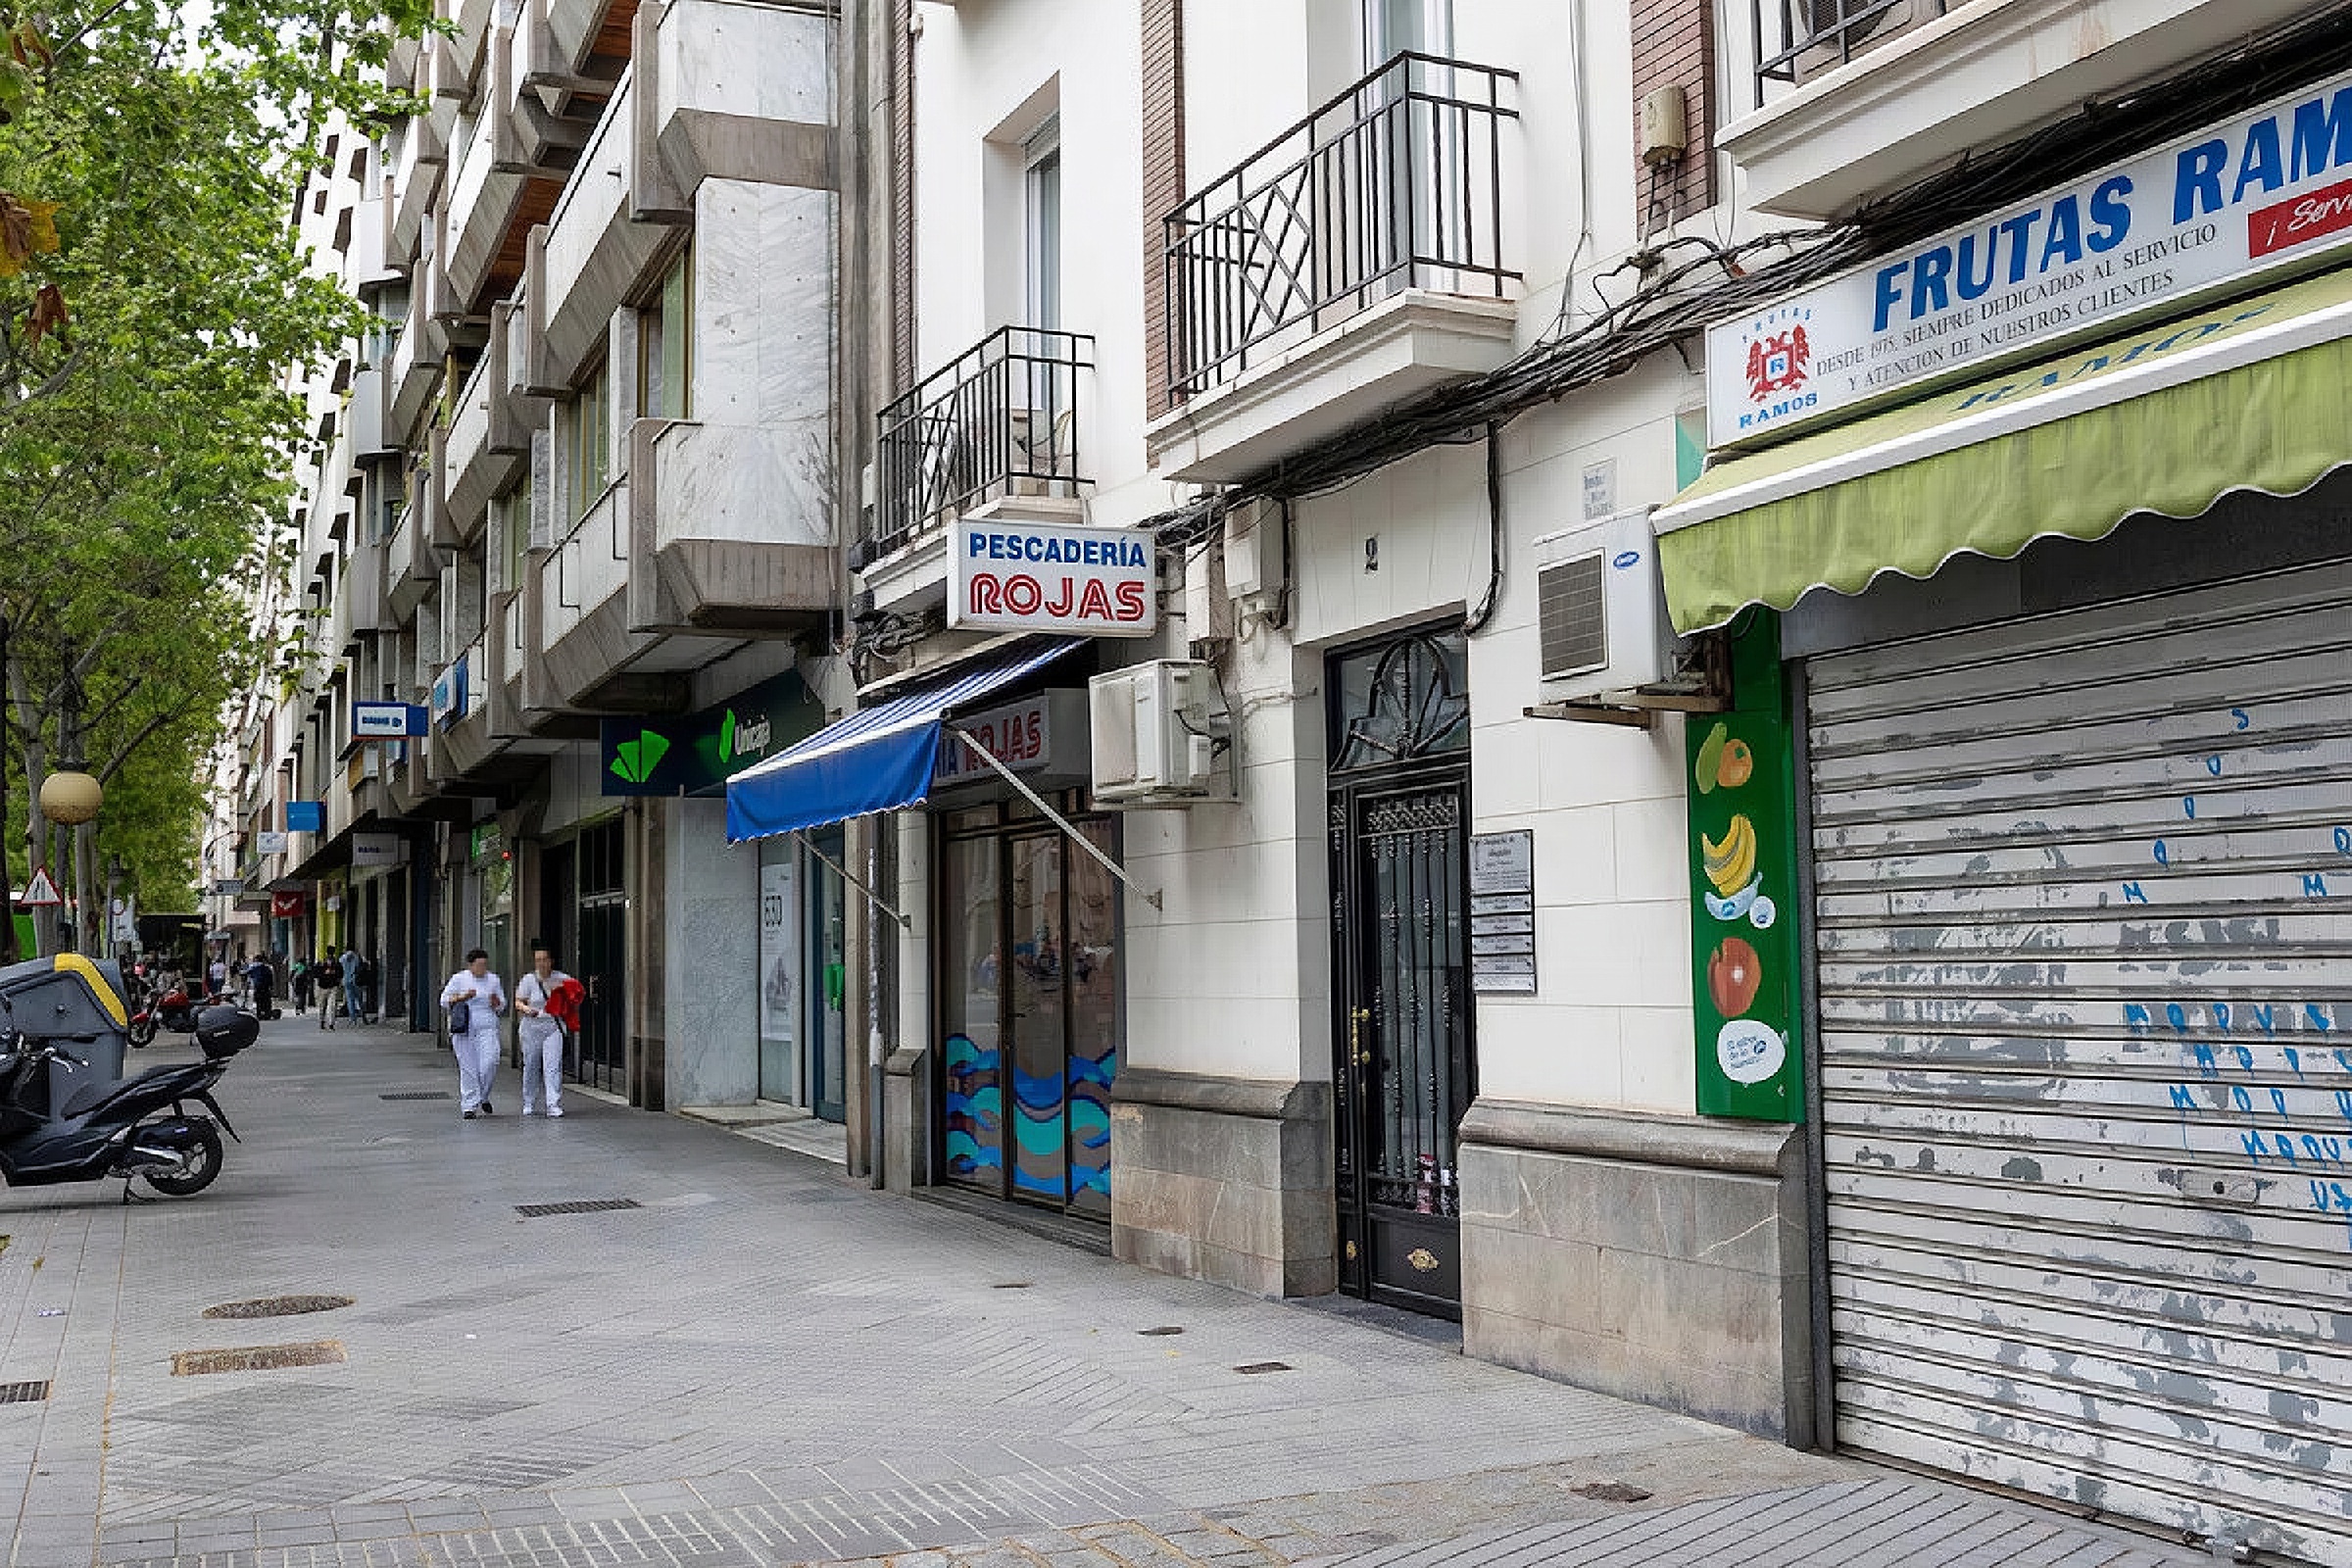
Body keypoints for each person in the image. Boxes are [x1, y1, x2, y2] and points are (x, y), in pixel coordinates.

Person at [513, 946, 579, 1118]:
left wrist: (563, 993)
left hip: (553, 1026)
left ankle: (553, 1104)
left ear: (551, 961)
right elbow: (518, 1002)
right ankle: (529, 1101)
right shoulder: (529, 980)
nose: (541, 963)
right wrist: (526, 1009)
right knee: (531, 1065)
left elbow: (577, 995)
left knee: (553, 1065)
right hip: (531, 1027)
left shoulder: (562, 978)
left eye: (544, 959)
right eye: (538, 960)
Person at [439, 948, 507, 1119]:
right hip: (465, 1027)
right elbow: (444, 1000)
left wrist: (496, 1002)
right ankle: (469, 1106)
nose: (482, 969)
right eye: (479, 965)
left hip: (487, 1025)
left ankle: (483, 1095)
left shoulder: (493, 979)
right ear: (470, 965)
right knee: (468, 1067)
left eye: (485, 965)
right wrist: (463, 997)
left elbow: (502, 1005)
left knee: (490, 1062)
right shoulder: (459, 979)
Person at [245, 954, 275, 1019]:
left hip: (258, 987)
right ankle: (267, 1014)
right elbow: (271, 978)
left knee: (259, 1001)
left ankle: (259, 1014)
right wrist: (271, 987)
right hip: (266, 988)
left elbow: (247, 974)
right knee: (266, 1001)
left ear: (256, 960)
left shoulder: (254, 968)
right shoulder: (267, 968)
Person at [338, 946, 362, 1027]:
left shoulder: (342, 958)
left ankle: (353, 1018)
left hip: (346, 981)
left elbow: (340, 969)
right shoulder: (356, 957)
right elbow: (358, 968)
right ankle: (363, 1015)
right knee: (359, 998)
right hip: (355, 980)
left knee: (350, 1000)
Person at [355, 953, 379, 1024]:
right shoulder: (365, 965)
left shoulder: (358, 966)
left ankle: (363, 1016)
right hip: (364, 985)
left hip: (360, 985)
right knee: (363, 1000)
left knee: (361, 1001)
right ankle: (364, 1016)